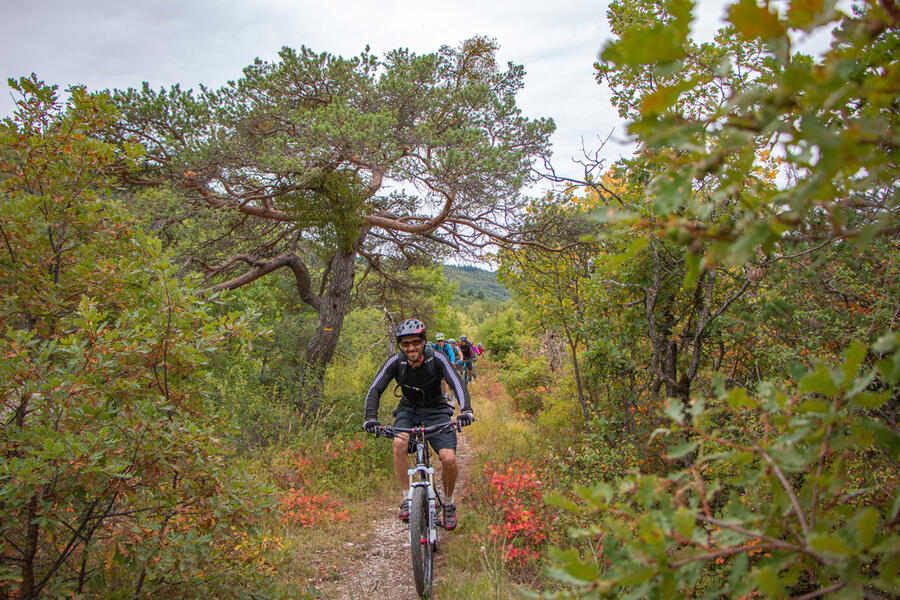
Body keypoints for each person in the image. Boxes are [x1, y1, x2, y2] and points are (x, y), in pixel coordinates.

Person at [363, 319, 474, 530]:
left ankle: (449, 505)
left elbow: (457, 383)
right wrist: (370, 418)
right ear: (401, 346)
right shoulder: (396, 362)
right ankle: (407, 499)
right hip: (408, 410)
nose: (411, 347)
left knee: (448, 458)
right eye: (405, 344)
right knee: (399, 444)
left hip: (437, 410)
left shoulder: (437, 358)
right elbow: (374, 389)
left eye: (415, 342)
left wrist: (466, 410)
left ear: (423, 342)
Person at [433, 333, 457, 400]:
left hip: (446, 364)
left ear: (443, 341)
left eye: (441, 341)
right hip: (437, 364)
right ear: (437, 341)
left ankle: (445, 395)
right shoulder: (434, 346)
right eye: (438, 341)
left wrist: (452, 362)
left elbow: (452, 354)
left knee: (444, 380)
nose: (440, 342)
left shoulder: (447, 346)